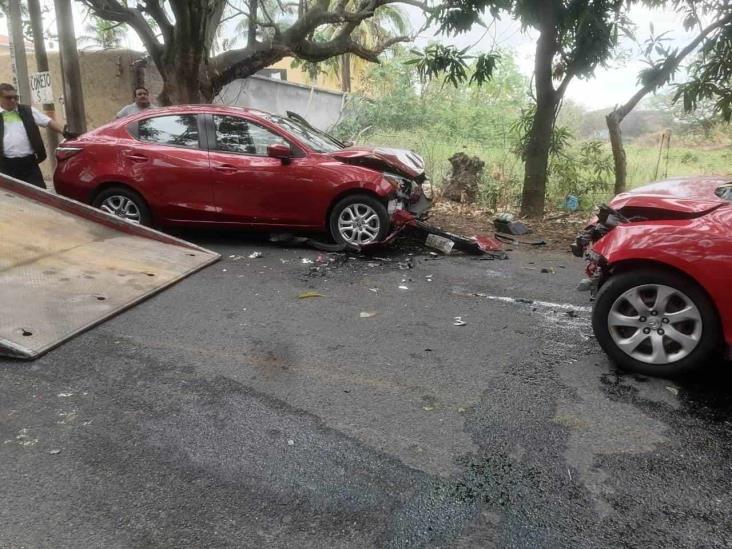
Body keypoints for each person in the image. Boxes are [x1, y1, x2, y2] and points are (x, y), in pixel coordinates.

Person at [0, 82, 69, 189]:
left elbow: (48, 122)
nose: (13, 100)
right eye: (8, 98)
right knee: (11, 197)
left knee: (39, 194)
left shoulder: (27, 111)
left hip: (29, 164)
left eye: (15, 97)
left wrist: (64, 131)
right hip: (5, 165)